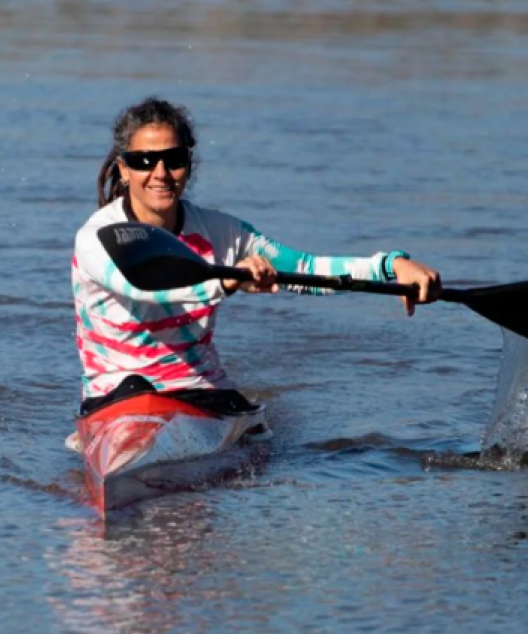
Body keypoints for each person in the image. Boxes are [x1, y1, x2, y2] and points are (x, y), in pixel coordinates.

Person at [72, 97, 441, 415]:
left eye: (174, 158)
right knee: (135, 389)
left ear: (189, 163)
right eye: (143, 161)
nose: (161, 173)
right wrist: (228, 282)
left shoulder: (222, 232)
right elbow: (142, 288)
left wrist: (390, 266)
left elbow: (306, 270)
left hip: (201, 390)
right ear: (123, 169)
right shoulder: (97, 238)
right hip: (117, 397)